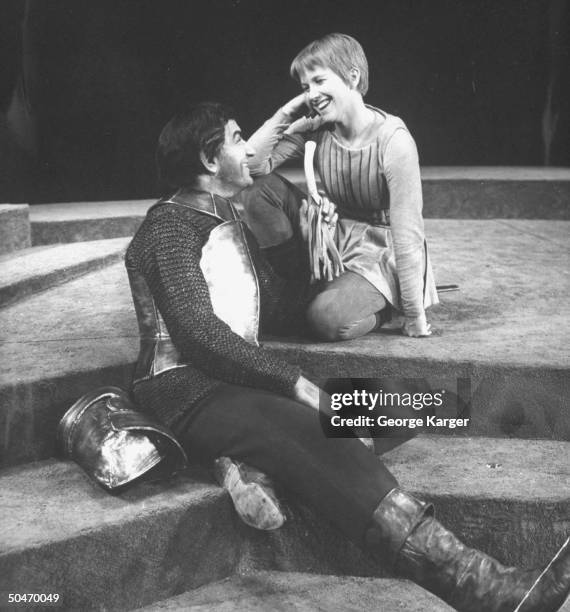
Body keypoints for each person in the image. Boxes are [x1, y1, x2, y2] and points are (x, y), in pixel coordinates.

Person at [124, 102, 569, 612]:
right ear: (208, 159)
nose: (248, 148)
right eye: (236, 136)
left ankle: (250, 461)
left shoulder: (227, 219)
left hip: (238, 384)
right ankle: (481, 586)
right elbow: (199, 336)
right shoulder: (167, 226)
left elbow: (281, 309)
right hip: (186, 391)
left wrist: (310, 237)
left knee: (419, 402)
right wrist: (296, 384)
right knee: (317, 430)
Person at [246, 33, 438, 341]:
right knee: (259, 191)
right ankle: (292, 290)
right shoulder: (316, 127)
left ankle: (387, 307)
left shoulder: (394, 140)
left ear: (352, 76)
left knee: (325, 319)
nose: (312, 94)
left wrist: (414, 312)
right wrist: (286, 113)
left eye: (320, 81)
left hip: (380, 249)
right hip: (331, 237)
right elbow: (252, 167)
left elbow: (409, 232)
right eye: (305, 87)